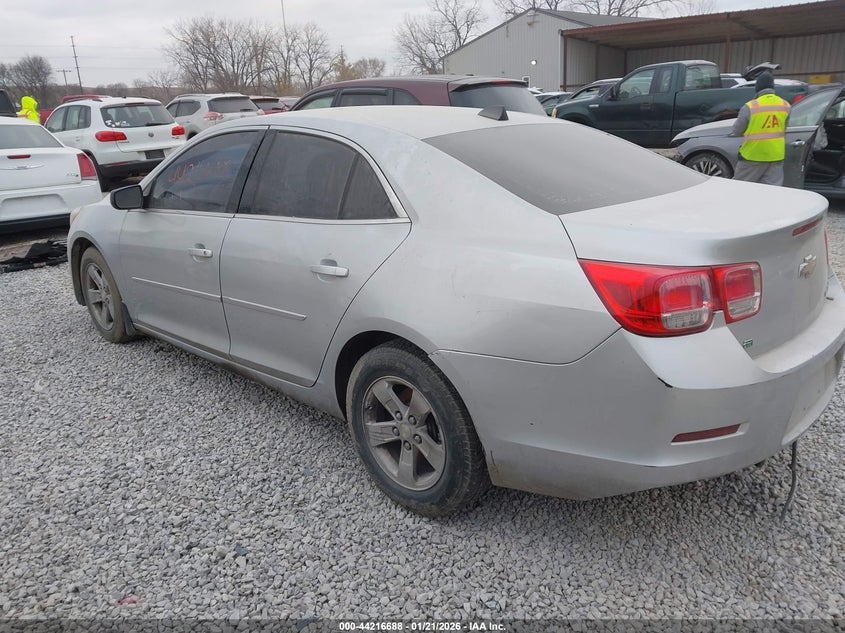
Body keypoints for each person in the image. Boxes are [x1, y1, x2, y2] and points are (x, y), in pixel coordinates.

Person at [731, 71, 791, 186]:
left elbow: (737, 130)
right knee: (771, 192)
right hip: (775, 156)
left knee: (740, 188)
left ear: (757, 88)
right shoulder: (785, 105)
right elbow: (783, 129)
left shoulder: (750, 106)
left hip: (752, 156)